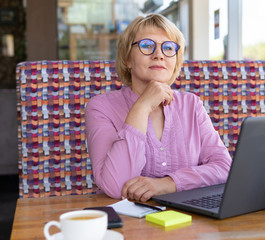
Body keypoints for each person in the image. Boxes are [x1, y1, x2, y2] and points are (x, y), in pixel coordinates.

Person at [85, 13, 232, 202]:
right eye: (147, 46)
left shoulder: (191, 104)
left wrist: (168, 184)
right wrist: (142, 106)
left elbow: (224, 167)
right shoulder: (100, 107)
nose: (159, 55)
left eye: (168, 48)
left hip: (190, 220)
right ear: (127, 59)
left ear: (175, 61)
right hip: (128, 223)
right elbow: (115, 187)